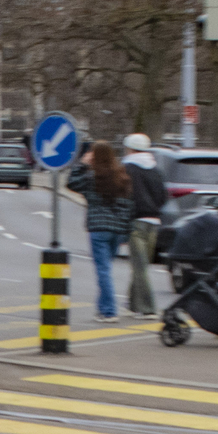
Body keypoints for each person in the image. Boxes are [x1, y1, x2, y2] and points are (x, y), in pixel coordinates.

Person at [66, 140, 133, 321]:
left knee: (103, 271)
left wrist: (81, 164)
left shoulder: (91, 178)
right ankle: (103, 309)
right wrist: (126, 232)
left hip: (98, 229)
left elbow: (71, 183)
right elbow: (128, 207)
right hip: (117, 230)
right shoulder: (121, 176)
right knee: (106, 270)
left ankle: (110, 311)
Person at [119, 133, 168, 316]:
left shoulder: (127, 168)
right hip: (154, 222)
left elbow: (124, 196)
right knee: (141, 265)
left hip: (136, 222)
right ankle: (133, 304)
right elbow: (163, 197)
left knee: (139, 267)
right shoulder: (156, 170)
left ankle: (147, 308)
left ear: (130, 148)